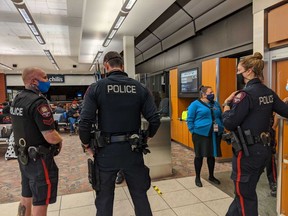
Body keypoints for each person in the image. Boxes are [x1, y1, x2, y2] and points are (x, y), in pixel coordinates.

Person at [79, 51, 160, 216]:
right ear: (122, 66)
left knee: (104, 199)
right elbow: (155, 119)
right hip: (133, 150)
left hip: (105, 152)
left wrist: (86, 143)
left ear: (106, 66)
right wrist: (146, 138)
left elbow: (85, 122)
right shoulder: (140, 88)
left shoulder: (96, 88)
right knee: (140, 196)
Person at [222, 52, 288, 216]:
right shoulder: (268, 93)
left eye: (239, 71)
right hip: (264, 152)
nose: (238, 74)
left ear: (250, 71)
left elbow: (229, 123)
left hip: (247, 154)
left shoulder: (245, 95)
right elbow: (286, 111)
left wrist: (226, 105)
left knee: (245, 195)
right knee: (244, 191)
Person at [10, 67, 63, 216]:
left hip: (23, 156)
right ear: (34, 81)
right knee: (40, 199)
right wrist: (61, 139)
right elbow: (50, 136)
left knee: (26, 195)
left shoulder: (18, 99)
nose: (48, 81)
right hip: (39, 159)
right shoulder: (38, 102)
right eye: (45, 78)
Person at [187, 85, 224, 187]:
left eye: (212, 92)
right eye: (210, 92)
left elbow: (220, 116)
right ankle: (197, 177)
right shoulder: (195, 104)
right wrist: (193, 130)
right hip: (200, 134)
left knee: (211, 155)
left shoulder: (216, 104)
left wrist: (222, 127)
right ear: (203, 94)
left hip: (215, 133)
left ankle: (211, 176)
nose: (212, 94)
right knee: (199, 156)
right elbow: (190, 119)